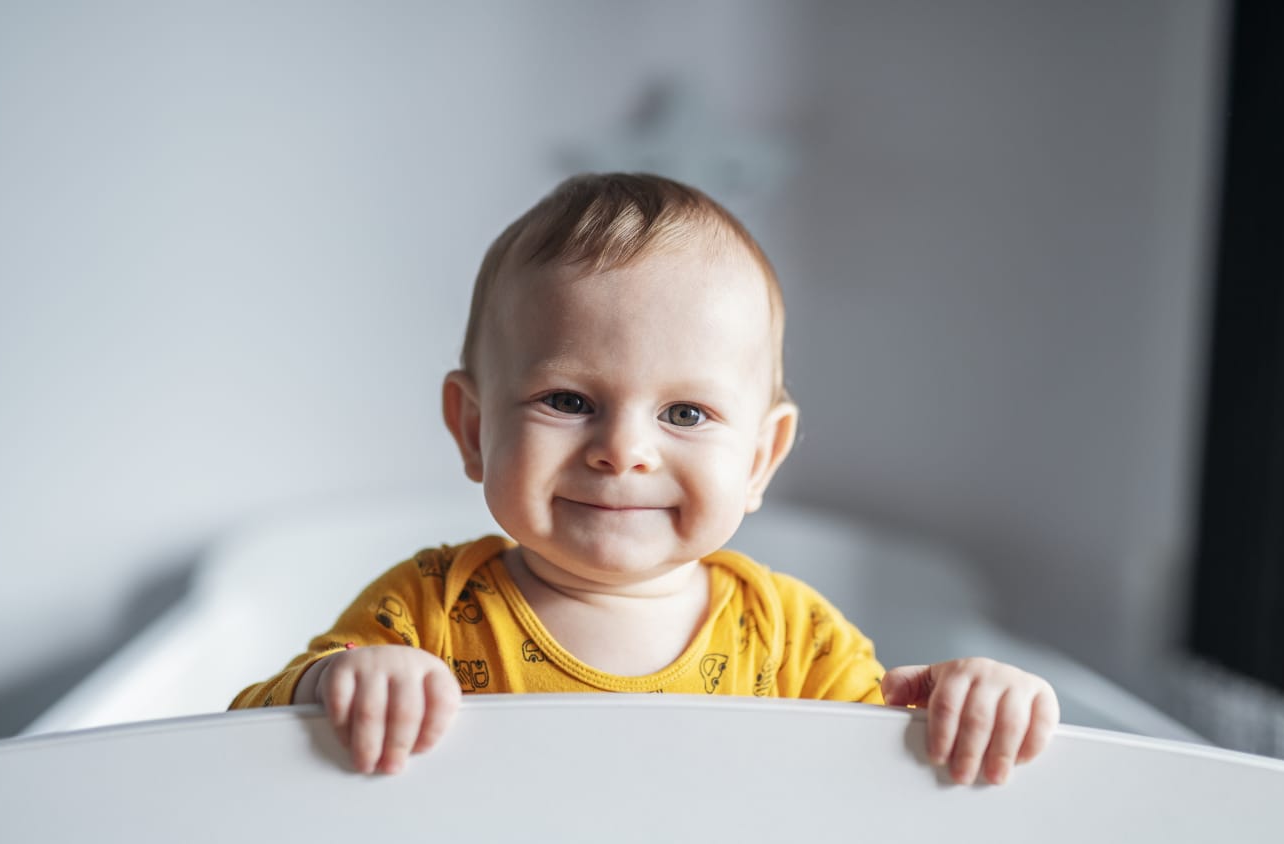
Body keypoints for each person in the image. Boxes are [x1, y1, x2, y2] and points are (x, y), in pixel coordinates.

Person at [231, 173, 1059, 785]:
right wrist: (336, 684)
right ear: (476, 428)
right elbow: (245, 739)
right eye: (567, 399)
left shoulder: (789, 638)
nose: (623, 451)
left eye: (687, 414)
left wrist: (970, 702)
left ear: (761, 459)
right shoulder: (429, 610)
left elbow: (882, 781)